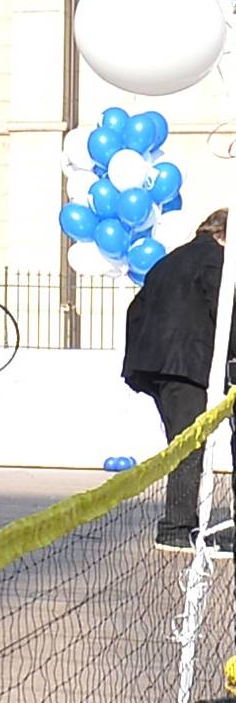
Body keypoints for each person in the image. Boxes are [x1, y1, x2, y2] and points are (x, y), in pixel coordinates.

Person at [123, 210, 236, 547]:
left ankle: (179, 525)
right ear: (224, 235)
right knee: (189, 445)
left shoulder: (168, 261)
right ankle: (175, 528)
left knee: (185, 442)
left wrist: (144, 360)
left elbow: (136, 310)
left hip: (162, 367)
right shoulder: (216, 260)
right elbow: (226, 309)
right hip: (189, 365)